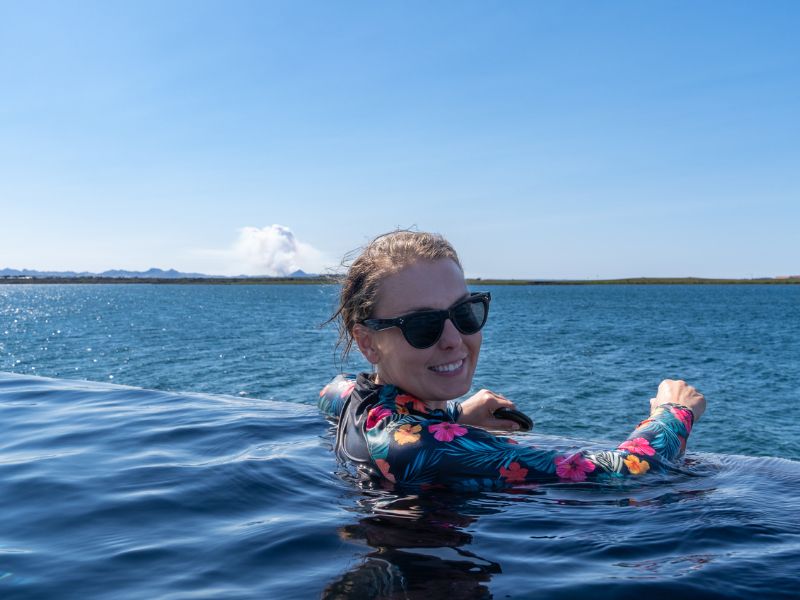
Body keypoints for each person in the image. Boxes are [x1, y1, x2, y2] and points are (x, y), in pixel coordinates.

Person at [319, 231, 706, 491]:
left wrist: (452, 418)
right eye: (422, 325)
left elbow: (331, 392)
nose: (454, 340)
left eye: (465, 313)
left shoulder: (355, 399)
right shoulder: (425, 450)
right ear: (368, 343)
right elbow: (630, 471)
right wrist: (673, 413)